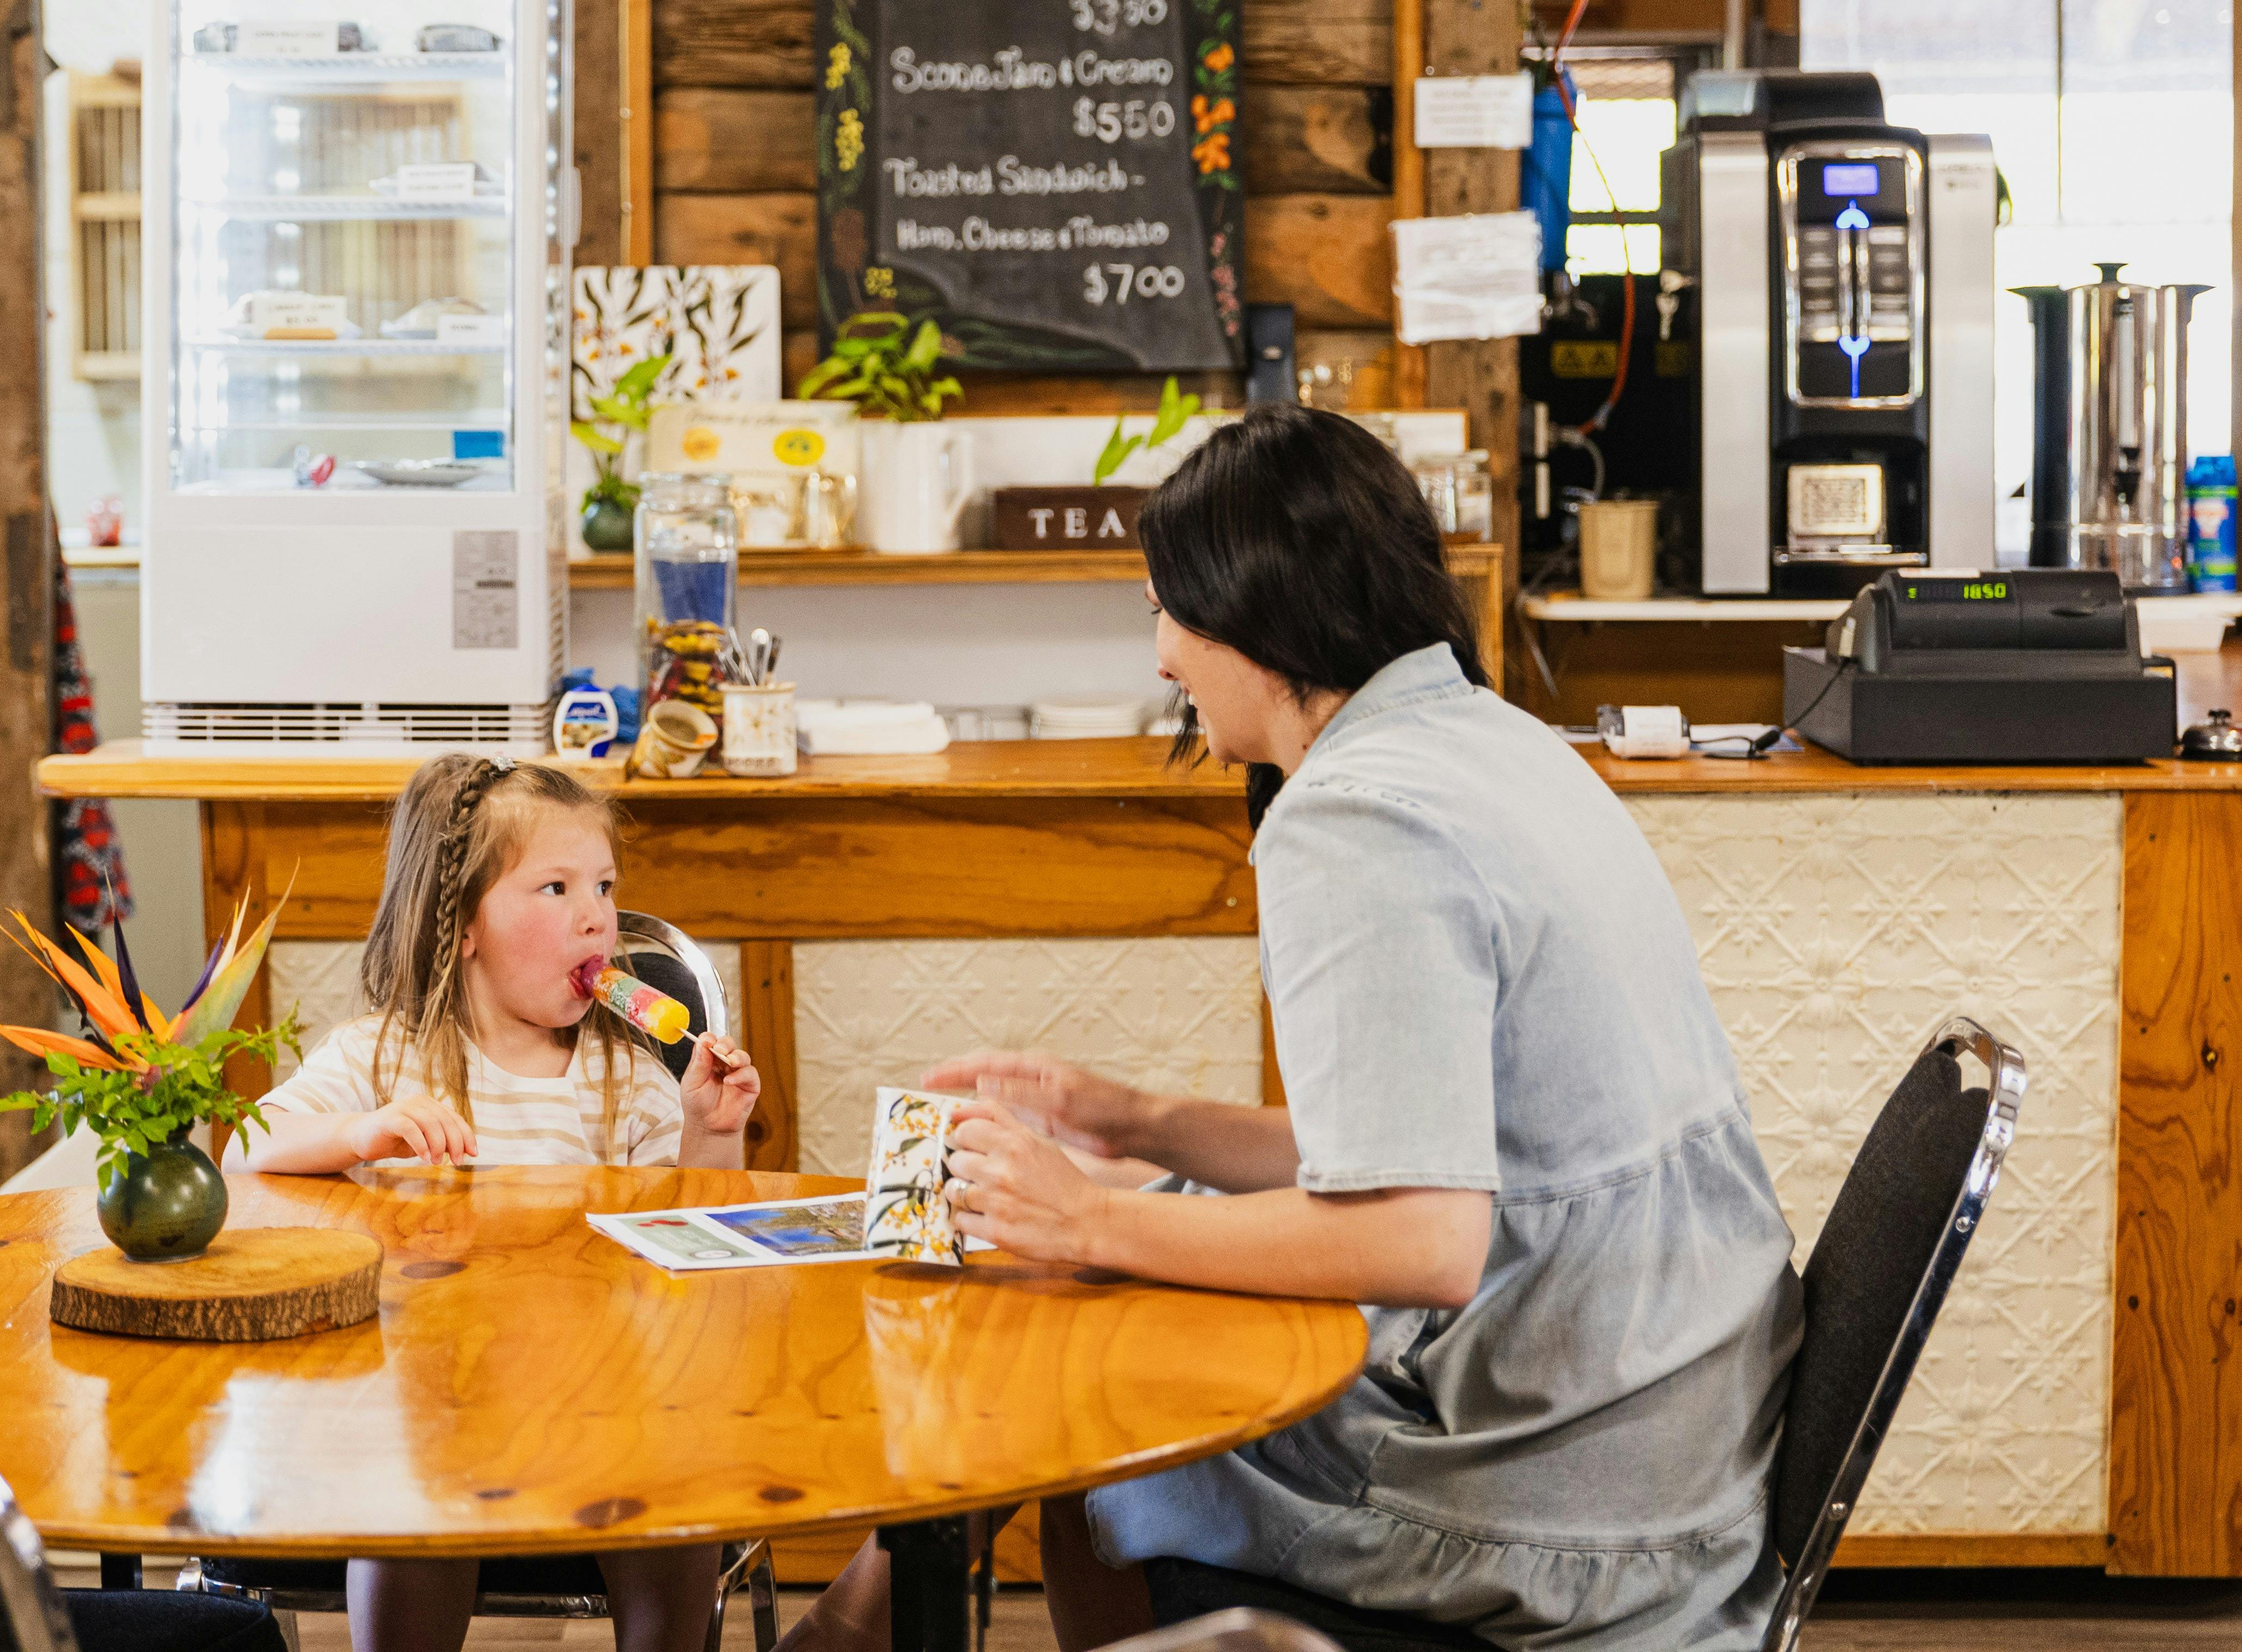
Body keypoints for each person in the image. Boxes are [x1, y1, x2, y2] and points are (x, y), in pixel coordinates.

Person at [783, 404, 1802, 1652]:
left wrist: (1087, 1212)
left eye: (1166, 607)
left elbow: (1423, 1233)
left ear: (1251, 608)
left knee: (1086, 1423)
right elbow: (1419, 1145)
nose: (1161, 655)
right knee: (1121, 1298)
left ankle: (845, 1623)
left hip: (1576, 1511)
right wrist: (1139, 1121)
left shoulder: (1354, 817)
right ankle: (851, 1617)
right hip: (1672, 1437)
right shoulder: (1493, 741)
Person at [233, 753, 761, 1652]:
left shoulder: (626, 1079)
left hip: (603, 1403)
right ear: (464, 923)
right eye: (554, 888)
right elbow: (245, 1150)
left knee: (681, 1498)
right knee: (413, 1497)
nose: (597, 913)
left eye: (603, 884)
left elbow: (698, 1240)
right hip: (425, 1400)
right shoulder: (383, 1058)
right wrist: (362, 1133)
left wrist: (710, 1131)